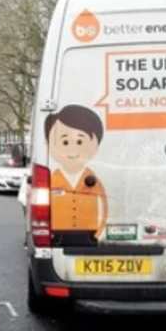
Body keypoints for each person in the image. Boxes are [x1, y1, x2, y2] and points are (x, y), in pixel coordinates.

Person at [44, 104, 107, 244]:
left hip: (89, 234)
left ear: (95, 144)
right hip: (59, 234)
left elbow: (104, 207)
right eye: (65, 142)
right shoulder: (52, 178)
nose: (72, 149)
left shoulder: (93, 179)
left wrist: (99, 233)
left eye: (80, 141)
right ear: (47, 144)